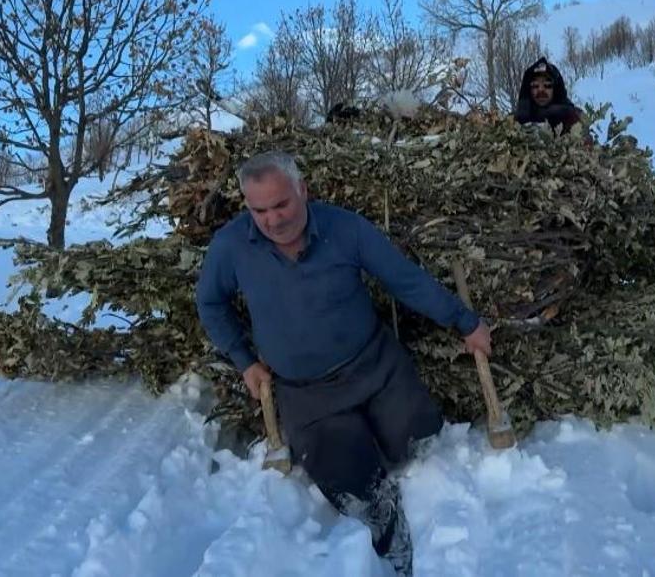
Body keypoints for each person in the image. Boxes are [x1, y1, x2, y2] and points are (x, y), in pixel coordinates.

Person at [195, 151, 492, 575]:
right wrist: (244, 361)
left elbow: (404, 279)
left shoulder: (344, 228)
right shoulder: (231, 247)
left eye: (281, 204)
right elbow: (210, 303)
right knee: (355, 485)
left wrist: (465, 323)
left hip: (376, 368)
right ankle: (393, 556)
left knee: (418, 444)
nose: (272, 220)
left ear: (303, 191)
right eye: (259, 210)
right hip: (308, 395)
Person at [512, 56, 584, 136]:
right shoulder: (515, 121)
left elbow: (587, 145)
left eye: (547, 85)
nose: (541, 90)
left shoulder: (574, 118)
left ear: (556, 89)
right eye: (535, 86)